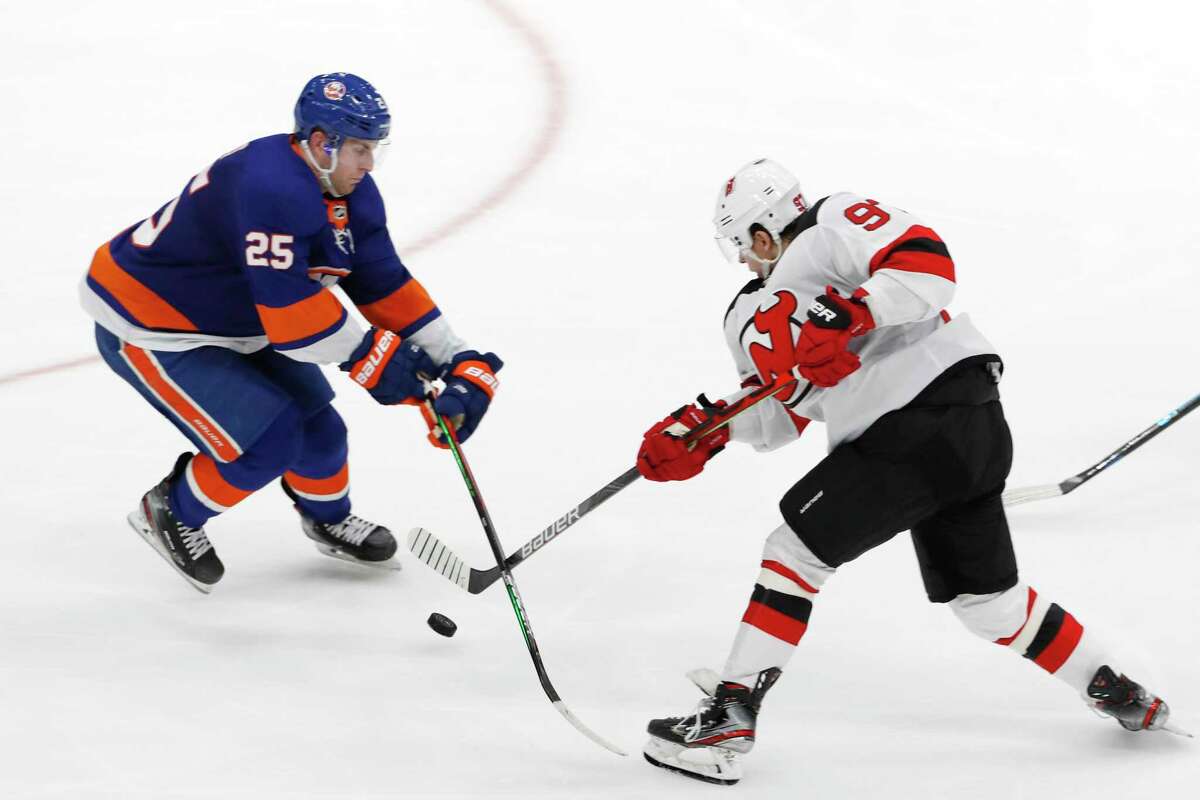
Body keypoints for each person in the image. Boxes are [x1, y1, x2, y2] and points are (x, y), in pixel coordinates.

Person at [635, 159, 1179, 785]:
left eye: (742, 247)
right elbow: (781, 411)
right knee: (989, 604)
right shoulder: (744, 318)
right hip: (961, 433)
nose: (742, 262)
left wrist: (855, 312)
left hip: (921, 419)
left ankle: (731, 713)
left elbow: (928, 264)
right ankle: (1110, 684)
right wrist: (707, 432)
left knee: (793, 554)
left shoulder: (834, 223)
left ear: (761, 235)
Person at [80, 73, 502, 593]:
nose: (369, 165)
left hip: (234, 318)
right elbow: (291, 316)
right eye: (361, 149)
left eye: (375, 150)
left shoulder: (349, 193)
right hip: (153, 325)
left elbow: (382, 281)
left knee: (323, 434)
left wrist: (453, 358)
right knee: (271, 440)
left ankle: (326, 519)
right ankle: (171, 510)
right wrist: (376, 359)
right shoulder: (272, 186)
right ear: (323, 143)